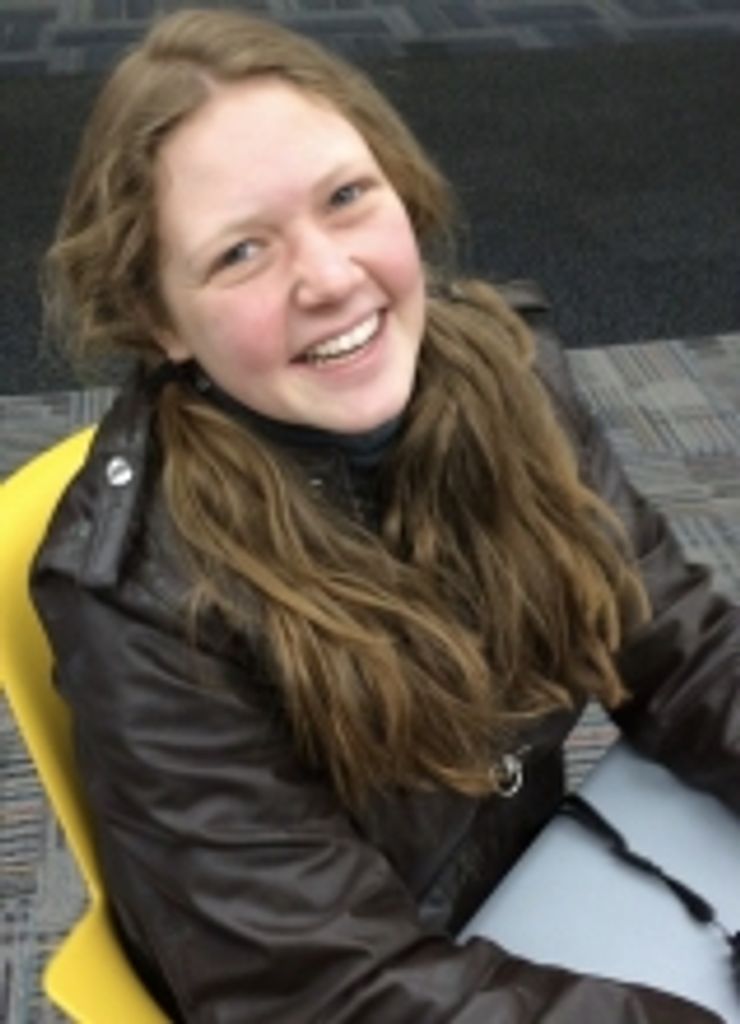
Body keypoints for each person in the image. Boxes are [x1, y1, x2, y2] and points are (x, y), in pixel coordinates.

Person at [31, 9, 739, 1023]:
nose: (330, 278)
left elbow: (679, 649)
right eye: (241, 252)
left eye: (346, 197)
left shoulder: (502, 378)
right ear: (158, 321)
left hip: (522, 913)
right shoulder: (145, 598)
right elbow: (331, 991)